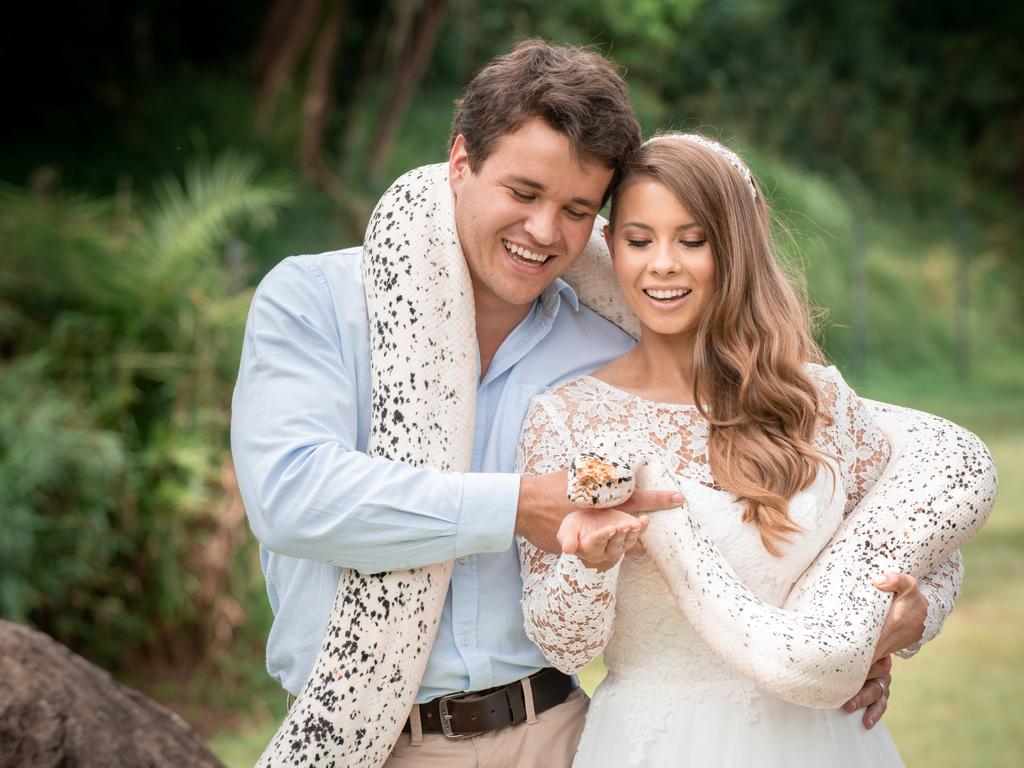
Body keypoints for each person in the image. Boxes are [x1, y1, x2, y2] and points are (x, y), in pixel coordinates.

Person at [231, 41, 954, 767]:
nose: (544, 232)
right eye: (522, 192)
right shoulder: (316, 301)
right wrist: (518, 505)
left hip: (558, 734)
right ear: (459, 163)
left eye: (576, 209)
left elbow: (849, 499)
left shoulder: (605, 341)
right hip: (376, 742)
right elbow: (292, 496)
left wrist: (879, 626)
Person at [516, 134, 958, 766]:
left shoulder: (818, 400)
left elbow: (931, 554)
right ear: (610, 246)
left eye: (692, 241)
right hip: (656, 743)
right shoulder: (568, 420)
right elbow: (561, 646)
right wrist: (588, 565)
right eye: (640, 241)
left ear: (734, 249)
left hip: (827, 741)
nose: (662, 264)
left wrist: (918, 615)